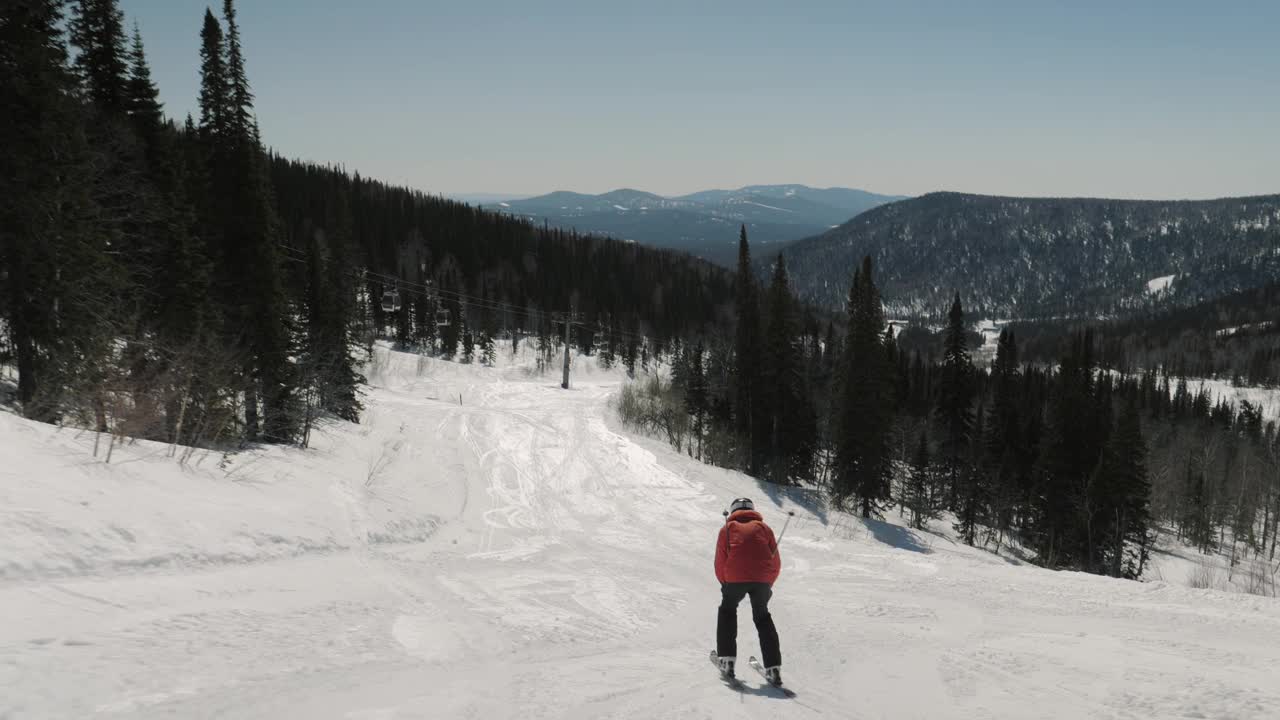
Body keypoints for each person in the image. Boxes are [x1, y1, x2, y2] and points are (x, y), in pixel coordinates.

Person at [714, 497, 782, 685]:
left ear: (733, 510)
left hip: (734, 578)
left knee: (727, 610)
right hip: (762, 579)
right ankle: (773, 668)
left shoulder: (727, 529)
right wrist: (769, 583)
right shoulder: (765, 529)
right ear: (752, 510)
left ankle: (727, 661)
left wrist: (724, 583)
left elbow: (720, 562)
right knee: (762, 617)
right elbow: (775, 561)